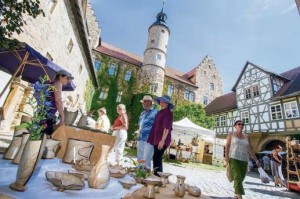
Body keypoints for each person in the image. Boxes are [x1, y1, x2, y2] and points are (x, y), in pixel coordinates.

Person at [225, 120, 260, 199]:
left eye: (242, 124)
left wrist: (256, 160)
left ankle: (236, 195)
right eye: (239, 124)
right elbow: (227, 145)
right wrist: (226, 156)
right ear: (235, 126)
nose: (241, 125)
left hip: (244, 160)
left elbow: (250, 149)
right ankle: (240, 197)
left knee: (241, 178)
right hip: (234, 158)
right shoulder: (231, 134)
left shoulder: (247, 136)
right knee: (237, 177)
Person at [147, 95, 174, 176]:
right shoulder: (160, 112)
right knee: (156, 158)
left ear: (167, 104)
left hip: (162, 139)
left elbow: (167, 128)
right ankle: (157, 177)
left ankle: (158, 178)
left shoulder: (168, 113)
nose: (162, 103)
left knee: (157, 158)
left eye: (164, 102)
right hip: (157, 139)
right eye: (161, 101)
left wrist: (162, 140)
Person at [44, 70, 74, 136]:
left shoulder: (53, 83)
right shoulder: (58, 84)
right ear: (60, 76)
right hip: (48, 113)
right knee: (45, 136)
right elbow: (58, 100)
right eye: (67, 78)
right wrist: (62, 116)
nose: (68, 80)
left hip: (45, 112)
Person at [137, 95, 158, 170]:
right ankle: (139, 171)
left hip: (150, 138)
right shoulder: (142, 113)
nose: (143, 103)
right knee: (140, 156)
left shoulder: (155, 112)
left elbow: (158, 126)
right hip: (140, 137)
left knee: (146, 157)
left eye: (145, 101)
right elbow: (140, 124)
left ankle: (145, 173)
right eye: (143, 101)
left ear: (150, 102)